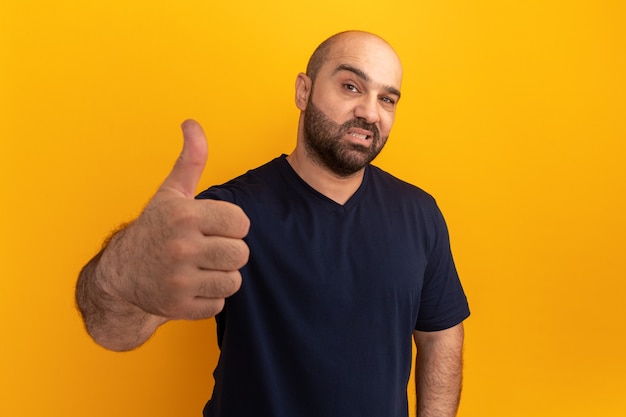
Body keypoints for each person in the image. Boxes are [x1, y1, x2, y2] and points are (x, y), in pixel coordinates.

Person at [76, 30, 470, 417]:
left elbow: (440, 335)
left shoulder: (420, 214)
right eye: (351, 86)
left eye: (387, 98)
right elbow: (112, 330)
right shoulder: (226, 213)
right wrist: (124, 267)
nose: (370, 111)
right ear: (304, 91)